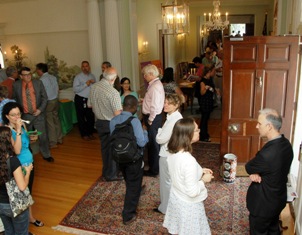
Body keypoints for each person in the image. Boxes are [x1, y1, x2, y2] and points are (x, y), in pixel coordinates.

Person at [245, 108, 293, 235]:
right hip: (278, 199)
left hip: (263, 205)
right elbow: (265, 164)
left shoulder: (267, 154)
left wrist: (256, 170)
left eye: (259, 124)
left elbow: (249, 167)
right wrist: (258, 170)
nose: (256, 126)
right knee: (273, 229)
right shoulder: (286, 144)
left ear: (269, 126)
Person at [163, 118, 213, 235]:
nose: (199, 131)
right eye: (196, 130)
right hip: (188, 204)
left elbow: (180, 172)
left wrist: (200, 170)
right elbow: (192, 191)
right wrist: (204, 180)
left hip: (177, 197)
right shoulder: (188, 160)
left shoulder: (173, 152)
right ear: (187, 135)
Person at [2, 102, 44, 228]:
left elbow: (25, 144)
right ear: (7, 116)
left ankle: (29, 218)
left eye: (18, 114)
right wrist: (19, 130)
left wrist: (31, 138)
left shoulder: (22, 126)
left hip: (29, 163)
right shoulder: (7, 131)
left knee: (29, 191)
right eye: (13, 115)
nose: (17, 117)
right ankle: (25, 221)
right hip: (19, 166)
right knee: (23, 191)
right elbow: (17, 150)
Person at [109, 95, 148, 225]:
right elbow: (142, 143)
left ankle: (137, 188)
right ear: (133, 106)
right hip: (134, 159)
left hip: (120, 158)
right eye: (137, 106)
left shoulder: (113, 120)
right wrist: (145, 132)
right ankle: (128, 215)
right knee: (133, 185)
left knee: (129, 179)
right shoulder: (135, 121)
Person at [12, 66, 54, 162]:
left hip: (38, 114)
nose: (28, 77)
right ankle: (29, 156)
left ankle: (46, 154)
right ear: (21, 76)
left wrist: (40, 109)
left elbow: (45, 98)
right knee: (26, 137)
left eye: (29, 74)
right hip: (25, 116)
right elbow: (15, 99)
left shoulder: (38, 83)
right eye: (25, 75)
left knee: (43, 136)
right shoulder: (16, 85)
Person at [88, 67, 123, 181]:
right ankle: (111, 175)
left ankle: (106, 172)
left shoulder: (94, 87)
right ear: (113, 79)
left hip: (99, 122)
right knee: (113, 149)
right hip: (111, 123)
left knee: (105, 149)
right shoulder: (113, 92)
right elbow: (118, 113)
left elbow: (89, 105)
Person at [0, 126, 33, 235]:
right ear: (8, 140)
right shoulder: (13, 161)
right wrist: (27, 172)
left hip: (1, 204)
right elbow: (22, 186)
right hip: (14, 205)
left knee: (9, 231)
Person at [154, 94, 182, 214]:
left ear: (176, 105)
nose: (165, 105)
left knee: (166, 183)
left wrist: (159, 131)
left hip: (167, 155)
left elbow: (160, 139)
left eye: (168, 103)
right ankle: (169, 205)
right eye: (165, 102)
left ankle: (165, 208)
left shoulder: (173, 121)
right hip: (172, 153)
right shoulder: (173, 116)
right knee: (169, 182)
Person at [141, 64, 165, 177]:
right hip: (153, 117)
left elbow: (155, 106)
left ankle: (154, 170)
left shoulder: (155, 86)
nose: (144, 77)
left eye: (145, 75)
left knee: (154, 144)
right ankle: (154, 166)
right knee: (153, 143)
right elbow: (153, 101)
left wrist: (150, 120)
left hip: (153, 118)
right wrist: (144, 101)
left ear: (151, 74)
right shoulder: (154, 84)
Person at [36, 63, 63, 148]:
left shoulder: (41, 80)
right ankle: (59, 138)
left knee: (49, 122)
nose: (36, 71)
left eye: (37, 69)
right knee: (56, 119)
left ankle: (53, 142)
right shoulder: (53, 77)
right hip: (55, 100)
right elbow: (57, 89)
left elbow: (41, 93)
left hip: (48, 102)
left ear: (40, 70)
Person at [73, 61, 96, 141]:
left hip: (89, 99)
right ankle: (84, 134)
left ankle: (90, 132)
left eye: (86, 66)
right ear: (81, 67)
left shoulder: (92, 76)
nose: (85, 68)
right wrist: (86, 84)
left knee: (90, 117)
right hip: (80, 99)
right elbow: (75, 89)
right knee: (81, 117)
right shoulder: (78, 77)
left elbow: (94, 88)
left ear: (89, 67)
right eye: (83, 66)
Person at [198, 64, 216, 142]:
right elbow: (202, 93)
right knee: (204, 119)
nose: (215, 72)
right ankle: (203, 136)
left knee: (206, 118)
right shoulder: (203, 81)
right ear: (209, 71)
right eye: (213, 71)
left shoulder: (210, 79)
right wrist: (206, 88)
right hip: (205, 102)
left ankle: (205, 134)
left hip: (209, 101)